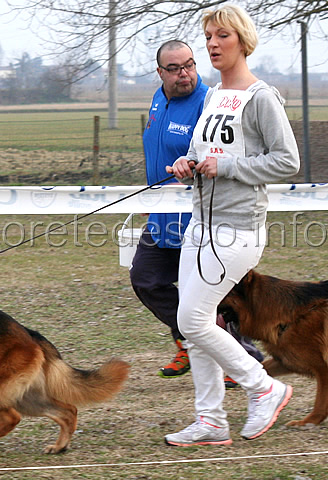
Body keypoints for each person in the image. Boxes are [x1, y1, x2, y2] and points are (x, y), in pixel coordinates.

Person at [164, 4, 300, 446]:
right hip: (200, 224)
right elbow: (210, 153)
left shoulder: (262, 96)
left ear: (242, 40)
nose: (211, 44)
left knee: (193, 318)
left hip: (237, 228)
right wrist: (189, 162)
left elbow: (287, 161)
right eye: (207, 37)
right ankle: (211, 420)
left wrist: (228, 167)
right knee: (198, 323)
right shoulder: (213, 96)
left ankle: (264, 387)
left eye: (220, 36)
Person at [131, 39, 262, 384]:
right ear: (160, 73)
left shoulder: (210, 102)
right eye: (174, 68)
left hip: (200, 217)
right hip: (162, 215)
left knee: (218, 299)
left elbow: (222, 155)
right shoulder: (159, 100)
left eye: (189, 64)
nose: (184, 73)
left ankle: (245, 362)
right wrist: (153, 203)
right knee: (146, 278)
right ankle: (187, 341)